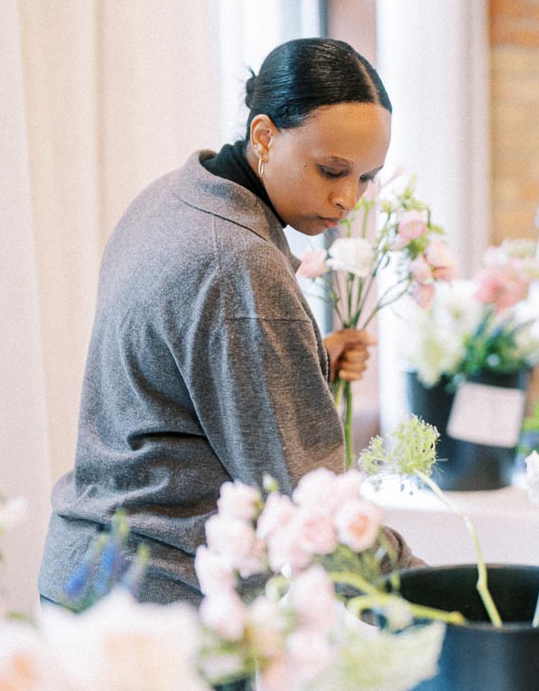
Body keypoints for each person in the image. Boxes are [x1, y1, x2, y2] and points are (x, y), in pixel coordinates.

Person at [39, 38, 416, 607]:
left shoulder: (170, 197)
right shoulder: (242, 263)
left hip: (90, 575)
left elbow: (175, 375)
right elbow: (310, 508)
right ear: (264, 136)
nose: (348, 200)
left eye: (366, 178)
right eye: (331, 170)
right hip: (166, 604)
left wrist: (303, 360)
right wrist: (442, 601)